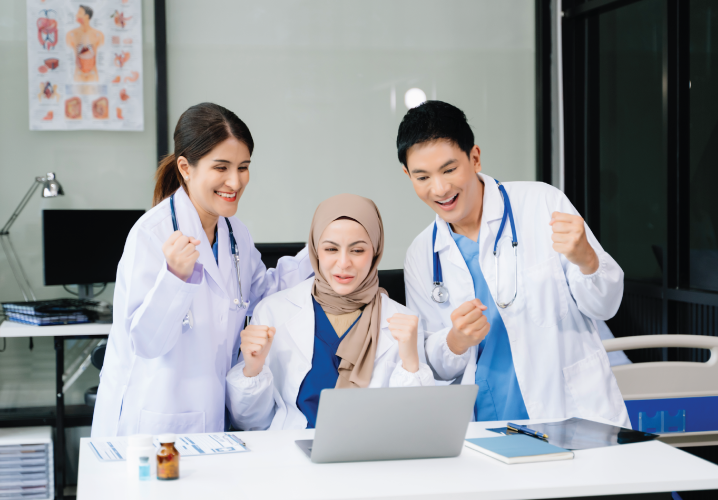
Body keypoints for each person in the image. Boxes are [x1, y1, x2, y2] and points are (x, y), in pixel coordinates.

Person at [398, 101, 630, 427]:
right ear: (407, 175)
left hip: (571, 412)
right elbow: (434, 364)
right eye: (422, 176)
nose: (440, 188)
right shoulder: (422, 254)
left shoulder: (542, 204)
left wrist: (587, 260)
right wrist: (456, 341)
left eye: (449, 170)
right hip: (485, 422)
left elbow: (605, 306)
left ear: (474, 157)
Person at [91, 103, 312, 437]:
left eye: (243, 167)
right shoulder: (152, 234)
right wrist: (175, 279)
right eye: (221, 167)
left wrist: (323, 249)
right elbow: (146, 342)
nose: (235, 181)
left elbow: (262, 292)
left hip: (211, 416)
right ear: (186, 167)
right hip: (154, 419)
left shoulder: (234, 233)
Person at [226, 194, 435, 431]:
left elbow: (414, 424)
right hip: (292, 457)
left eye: (357, 250)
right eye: (331, 249)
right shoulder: (274, 311)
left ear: (375, 251)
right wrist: (252, 370)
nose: (343, 263)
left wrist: (410, 362)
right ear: (315, 251)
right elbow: (250, 424)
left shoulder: (402, 323)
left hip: (367, 459)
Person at [66, 5, 104, 83]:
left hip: (93, 75)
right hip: (78, 75)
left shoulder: (98, 34)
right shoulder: (71, 34)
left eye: (79, 12)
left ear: (86, 16)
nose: (76, 15)